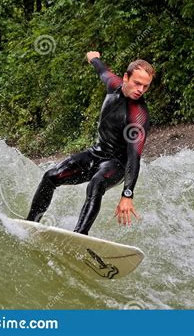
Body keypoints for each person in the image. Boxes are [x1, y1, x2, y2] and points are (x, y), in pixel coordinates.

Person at [26, 51, 155, 235]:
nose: (140, 90)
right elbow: (102, 71)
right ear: (126, 78)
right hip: (96, 154)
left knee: (96, 183)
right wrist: (93, 58)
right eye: (137, 83)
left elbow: (134, 158)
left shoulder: (138, 115)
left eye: (145, 86)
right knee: (51, 176)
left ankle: (80, 235)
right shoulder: (113, 85)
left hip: (117, 165)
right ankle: (31, 223)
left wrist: (127, 194)